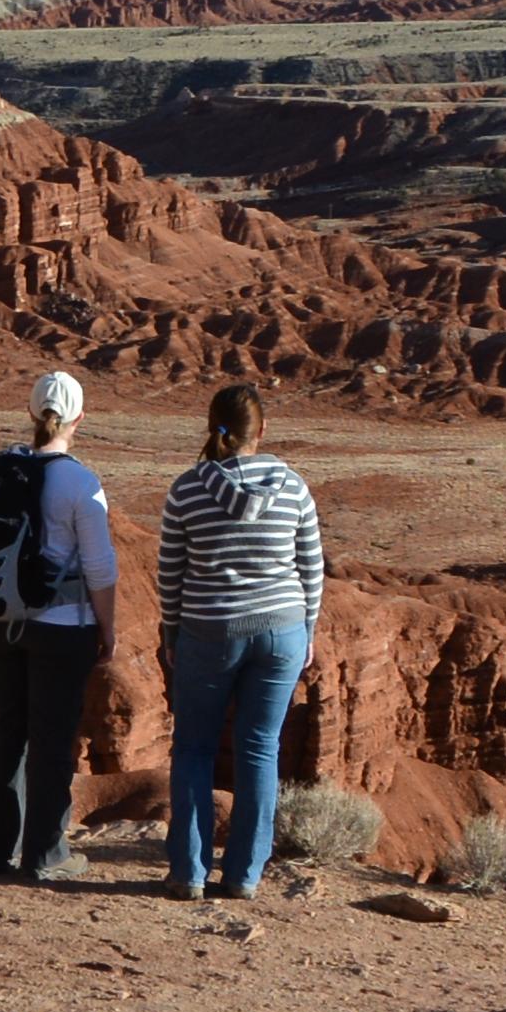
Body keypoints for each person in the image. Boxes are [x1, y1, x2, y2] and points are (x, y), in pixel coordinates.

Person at [158, 382, 323, 899]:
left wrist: (171, 631)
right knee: (259, 750)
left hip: (207, 632)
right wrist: (308, 629)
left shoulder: (187, 489)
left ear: (213, 428)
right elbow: (312, 567)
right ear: (263, 431)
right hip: (282, 632)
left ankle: (189, 873)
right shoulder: (294, 487)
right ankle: (245, 876)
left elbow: (171, 573)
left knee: (193, 750)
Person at [0, 369, 119, 885]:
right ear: (79, 418)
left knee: (6, 732)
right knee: (53, 740)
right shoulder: (79, 481)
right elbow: (100, 566)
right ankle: (46, 854)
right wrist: (108, 626)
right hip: (62, 627)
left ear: (32, 413)